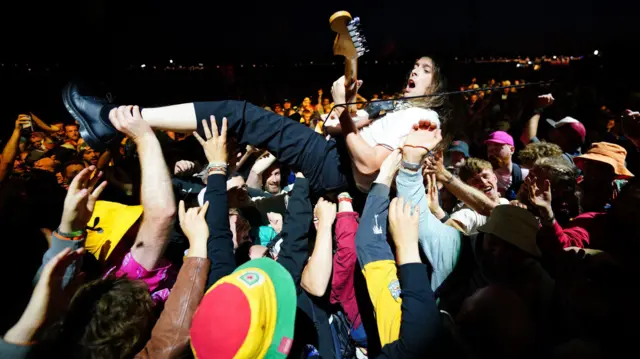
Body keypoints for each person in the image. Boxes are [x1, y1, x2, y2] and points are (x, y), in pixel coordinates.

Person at [62, 56, 449, 195]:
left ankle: (114, 119)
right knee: (242, 115)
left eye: (425, 69)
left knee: (241, 114)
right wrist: (342, 107)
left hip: (338, 168)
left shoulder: (425, 119)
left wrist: (342, 116)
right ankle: (118, 120)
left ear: (438, 86)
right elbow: (333, 124)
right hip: (332, 157)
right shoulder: (394, 108)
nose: (414, 70)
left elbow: (367, 169)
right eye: (415, 65)